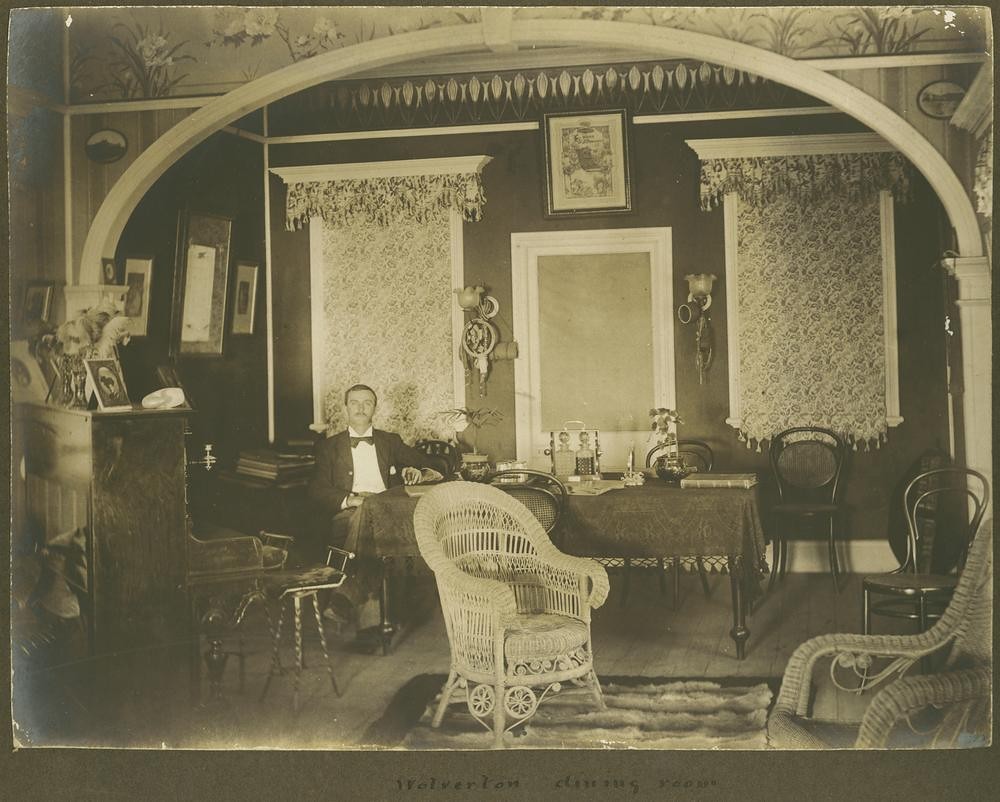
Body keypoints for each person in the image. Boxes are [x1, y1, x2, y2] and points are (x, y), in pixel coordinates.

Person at [309, 384, 441, 624]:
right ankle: (368, 620)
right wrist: (352, 499)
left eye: (367, 402)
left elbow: (433, 465)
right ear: (346, 407)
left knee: (371, 511)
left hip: (389, 510)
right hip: (352, 511)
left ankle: (346, 600)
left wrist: (419, 471)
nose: (360, 407)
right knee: (366, 514)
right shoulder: (329, 447)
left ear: (375, 408)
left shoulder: (389, 441)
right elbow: (317, 491)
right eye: (355, 402)